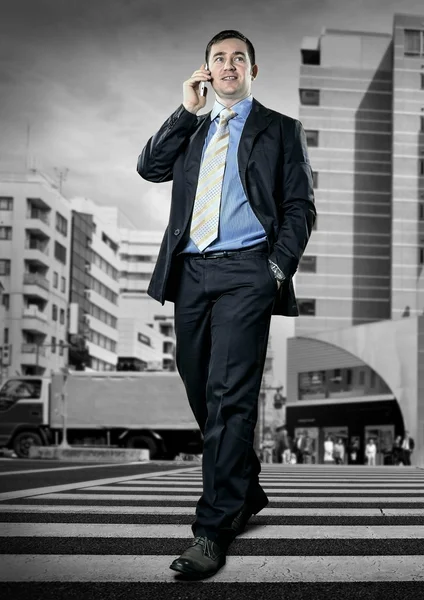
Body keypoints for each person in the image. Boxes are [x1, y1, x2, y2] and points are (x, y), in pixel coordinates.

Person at [137, 30, 315, 580]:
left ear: (253, 71)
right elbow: (149, 167)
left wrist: (275, 269)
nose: (229, 64)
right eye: (220, 58)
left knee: (229, 394)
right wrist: (184, 111)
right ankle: (242, 486)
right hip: (190, 272)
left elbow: (300, 206)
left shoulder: (280, 129)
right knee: (199, 388)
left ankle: (211, 531)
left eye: (240, 58)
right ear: (207, 71)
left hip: (247, 271)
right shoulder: (193, 128)